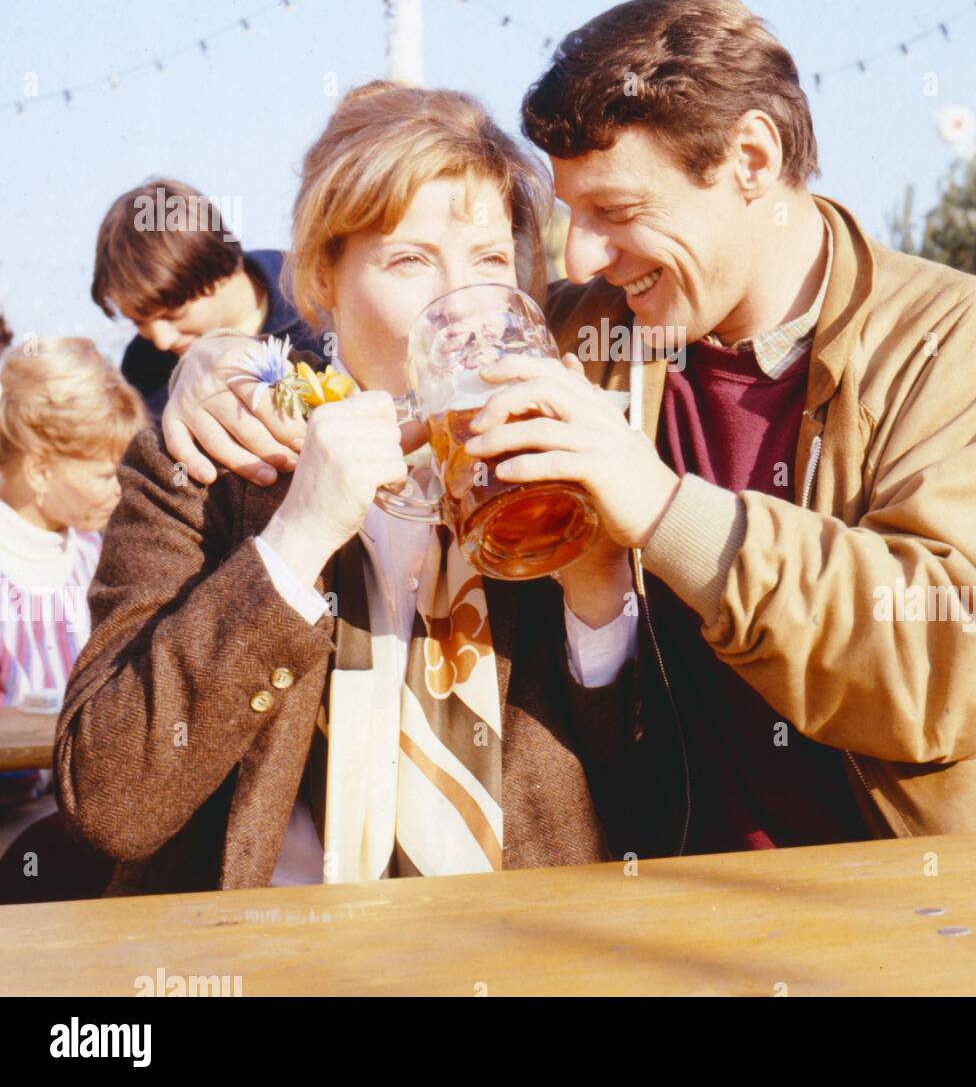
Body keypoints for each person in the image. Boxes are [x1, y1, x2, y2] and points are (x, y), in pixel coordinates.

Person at [162, 0, 976, 854]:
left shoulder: (961, 342)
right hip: (697, 910)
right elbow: (384, 339)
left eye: (617, 212)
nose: (584, 256)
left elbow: (957, 661)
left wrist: (664, 508)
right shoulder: (594, 334)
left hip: (971, 898)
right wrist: (230, 362)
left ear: (751, 160)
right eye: (570, 217)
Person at [56, 84, 650, 897]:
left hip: (522, 961)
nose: (462, 308)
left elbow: (650, 793)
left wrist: (596, 585)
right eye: (409, 260)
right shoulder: (207, 458)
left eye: (487, 263)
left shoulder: (563, 460)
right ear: (320, 278)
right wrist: (294, 542)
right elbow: (111, 804)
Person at [0, 338, 145, 902]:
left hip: (83, 826)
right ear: (38, 470)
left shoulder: (96, 559)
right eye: (107, 473)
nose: (120, 489)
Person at [91, 177, 323, 420]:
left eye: (173, 315)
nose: (161, 340)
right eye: (139, 322)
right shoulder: (144, 367)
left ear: (219, 268)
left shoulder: (322, 308)